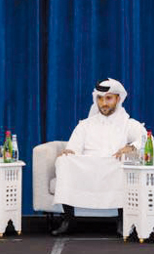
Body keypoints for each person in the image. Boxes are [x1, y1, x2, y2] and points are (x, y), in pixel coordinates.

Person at [52, 78, 144, 236]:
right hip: (88, 167)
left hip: (113, 166)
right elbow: (73, 148)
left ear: (118, 99)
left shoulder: (128, 123)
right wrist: (69, 153)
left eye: (108, 98)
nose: (104, 103)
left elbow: (145, 139)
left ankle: (122, 219)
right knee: (63, 161)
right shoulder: (85, 125)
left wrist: (130, 147)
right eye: (100, 99)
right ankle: (69, 219)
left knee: (121, 163)